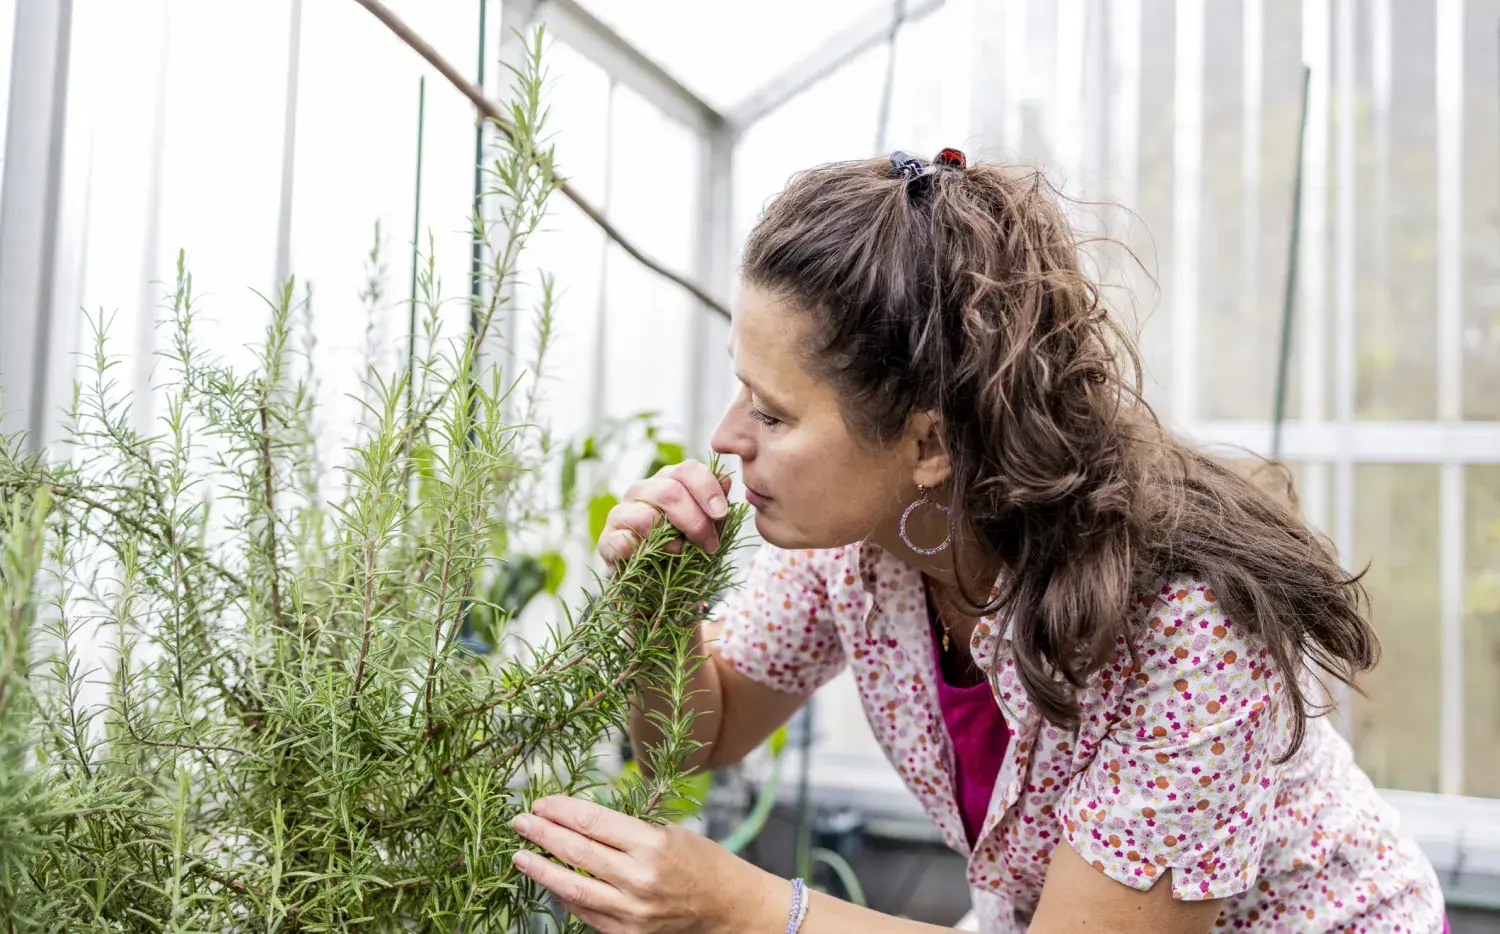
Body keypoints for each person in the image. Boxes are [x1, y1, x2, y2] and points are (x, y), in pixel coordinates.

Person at [508, 149, 1446, 933]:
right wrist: (659, 617)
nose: (724, 438)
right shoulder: (858, 554)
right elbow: (693, 739)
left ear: (929, 442)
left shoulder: (1184, 626)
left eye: (773, 412)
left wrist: (748, 907)